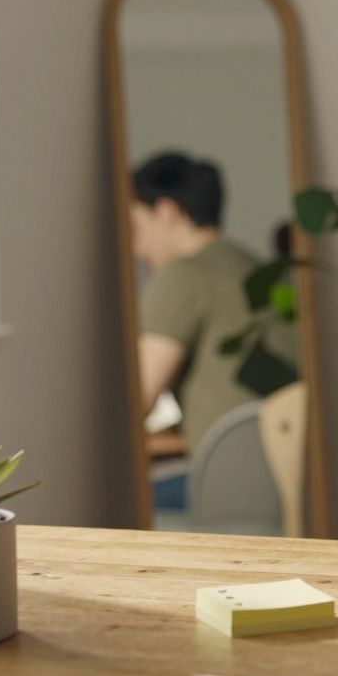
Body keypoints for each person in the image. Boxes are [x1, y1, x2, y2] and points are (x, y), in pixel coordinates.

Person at [131, 151, 296, 455]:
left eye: (136, 230)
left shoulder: (182, 275)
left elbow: (134, 404)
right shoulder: (259, 269)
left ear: (166, 212)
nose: (137, 250)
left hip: (227, 469)